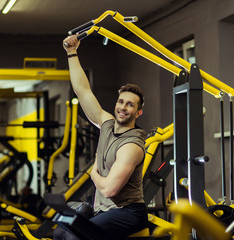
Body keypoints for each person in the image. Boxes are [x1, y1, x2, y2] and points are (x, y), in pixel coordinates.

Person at [56, 35, 149, 239]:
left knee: (74, 236)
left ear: (138, 113)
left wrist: (93, 171)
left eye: (130, 105)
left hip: (127, 213)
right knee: (61, 231)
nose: (123, 107)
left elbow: (109, 190)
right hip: (105, 211)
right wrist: (72, 53)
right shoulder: (106, 124)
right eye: (121, 102)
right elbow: (83, 91)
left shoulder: (131, 146)